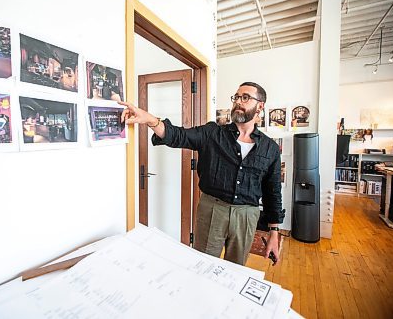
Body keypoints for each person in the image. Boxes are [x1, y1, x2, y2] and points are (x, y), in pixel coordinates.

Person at [119, 82, 284, 266]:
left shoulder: (270, 148)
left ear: (260, 106)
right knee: (201, 265)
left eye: (245, 97)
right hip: (212, 210)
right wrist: (150, 120)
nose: (238, 101)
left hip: (246, 216)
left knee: (236, 270)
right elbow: (178, 135)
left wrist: (273, 233)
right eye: (236, 97)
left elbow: (273, 192)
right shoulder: (212, 133)